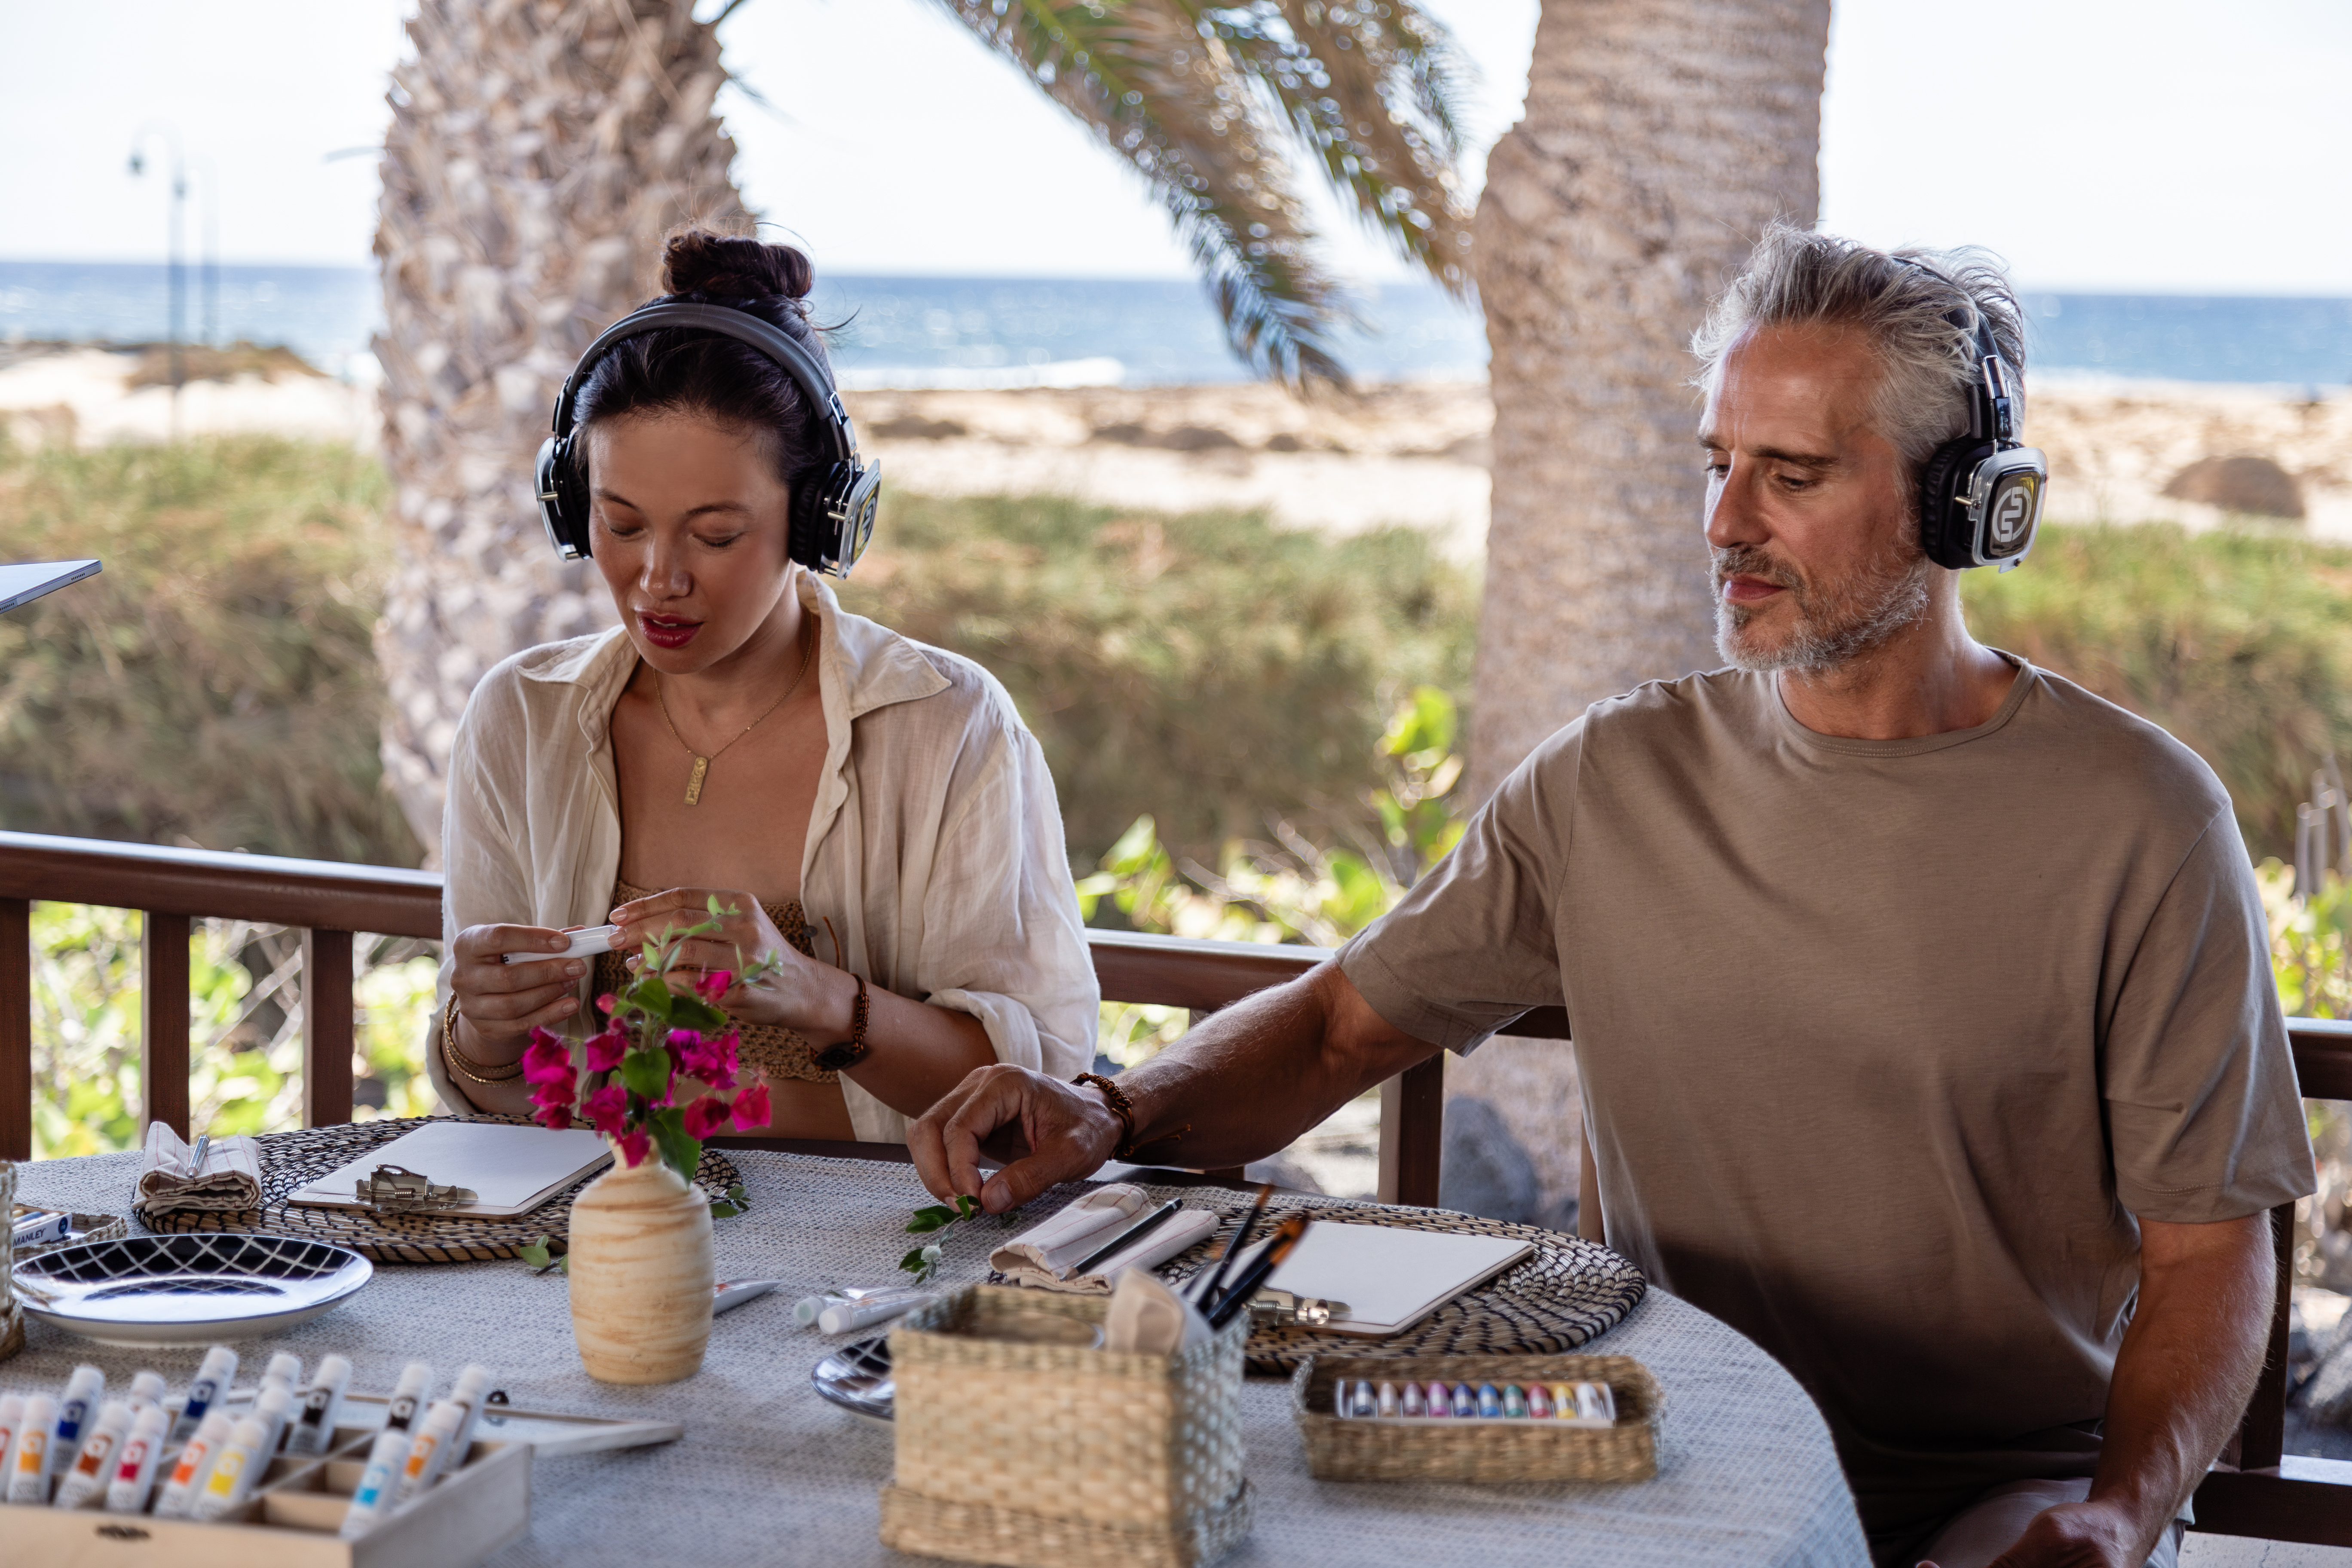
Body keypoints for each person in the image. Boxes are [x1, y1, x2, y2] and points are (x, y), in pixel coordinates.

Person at [908, 227, 2314, 1568]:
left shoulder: (2140, 817)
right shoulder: (1614, 774)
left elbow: (2210, 1247)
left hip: (1997, 1495)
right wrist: (1111, 1113)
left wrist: (2123, 1511)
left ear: (1966, 499)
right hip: (1647, 1446)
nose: (1724, 521)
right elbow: (1341, 1025)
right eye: (1716, 462)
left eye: (1792, 474)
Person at [429, 230, 1098, 1143]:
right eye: (620, 524)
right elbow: (496, 1097)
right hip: (603, 1238)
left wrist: (815, 996)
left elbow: (1035, 1097)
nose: (658, 578)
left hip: (877, 1257)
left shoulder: (947, 726)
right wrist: (483, 1028)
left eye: (714, 536)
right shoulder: (522, 718)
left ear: (822, 518)